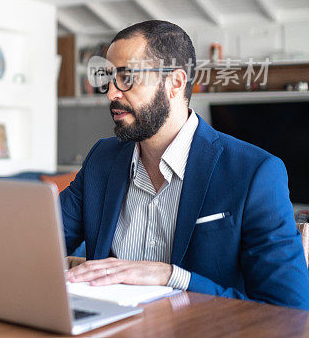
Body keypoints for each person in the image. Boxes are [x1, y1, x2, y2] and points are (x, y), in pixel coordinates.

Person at [61, 20, 309, 309]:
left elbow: (289, 308)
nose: (111, 93)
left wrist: (173, 277)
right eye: (109, 78)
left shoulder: (255, 173)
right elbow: (44, 241)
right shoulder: (102, 159)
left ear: (175, 83)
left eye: (126, 77)